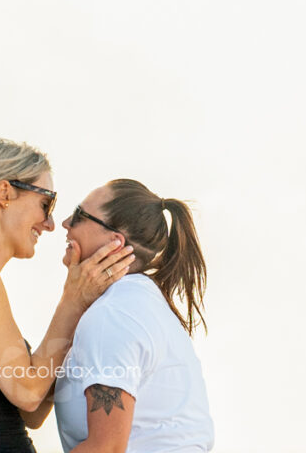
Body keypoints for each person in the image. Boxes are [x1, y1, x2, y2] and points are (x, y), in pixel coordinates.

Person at [0, 138, 135, 453]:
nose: (49, 224)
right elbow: (29, 392)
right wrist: (72, 301)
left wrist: (84, 311)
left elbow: (32, 412)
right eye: (46, 203)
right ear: (5, 193)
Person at [52, 178, 214, 453]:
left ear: (115, 242)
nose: (65, 223)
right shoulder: (140, 301)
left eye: (80, 215)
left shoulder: (113, 315)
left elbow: (107, 448)